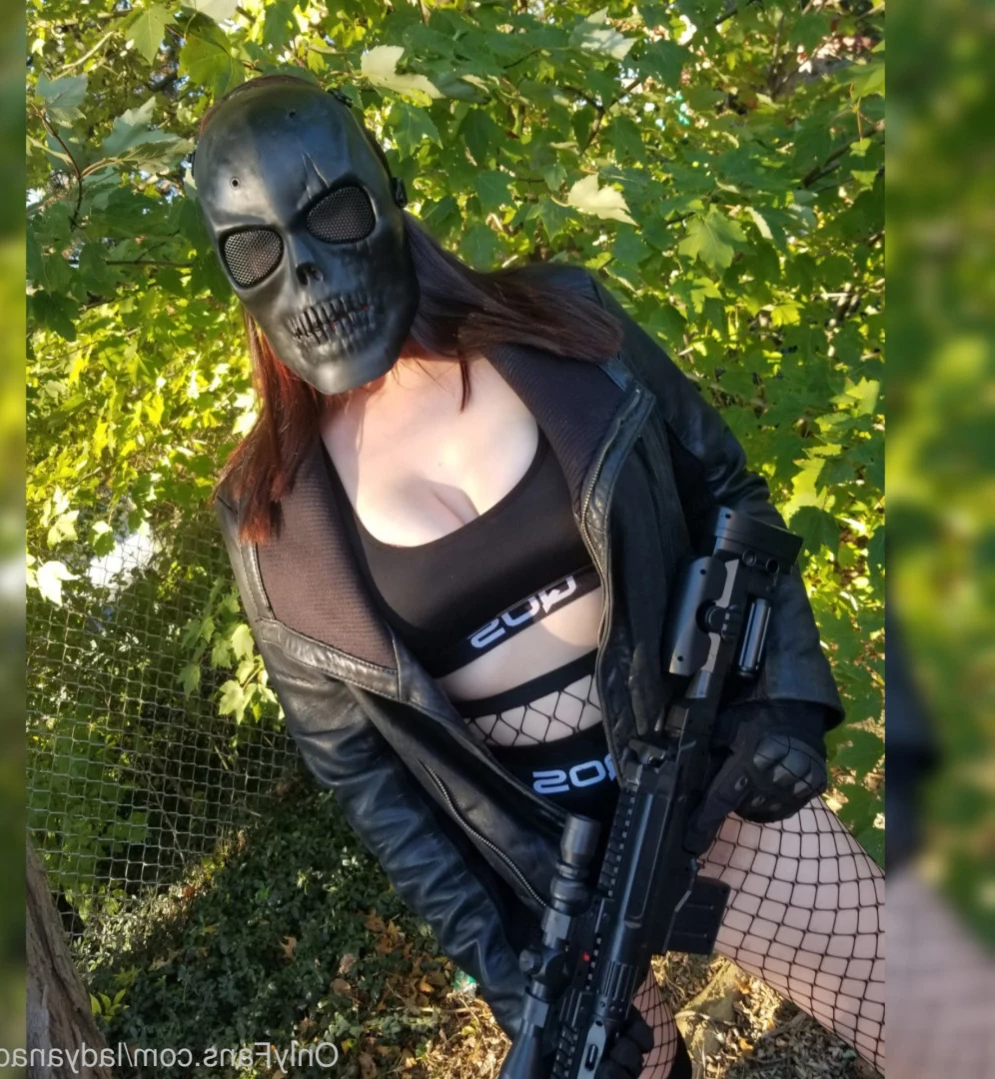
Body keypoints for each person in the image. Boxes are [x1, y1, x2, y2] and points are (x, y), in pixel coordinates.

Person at [192, 74, 886, 1077]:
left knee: (947, 1025)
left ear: (386, 193)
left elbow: (725, 492)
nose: (303, 271)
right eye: (256, 251)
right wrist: (509, 976)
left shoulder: (558, 322)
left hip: (709, 788)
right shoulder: (270, 517)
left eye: (331, 216)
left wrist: (782, 698)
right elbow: (371, 787)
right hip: (551, 904)